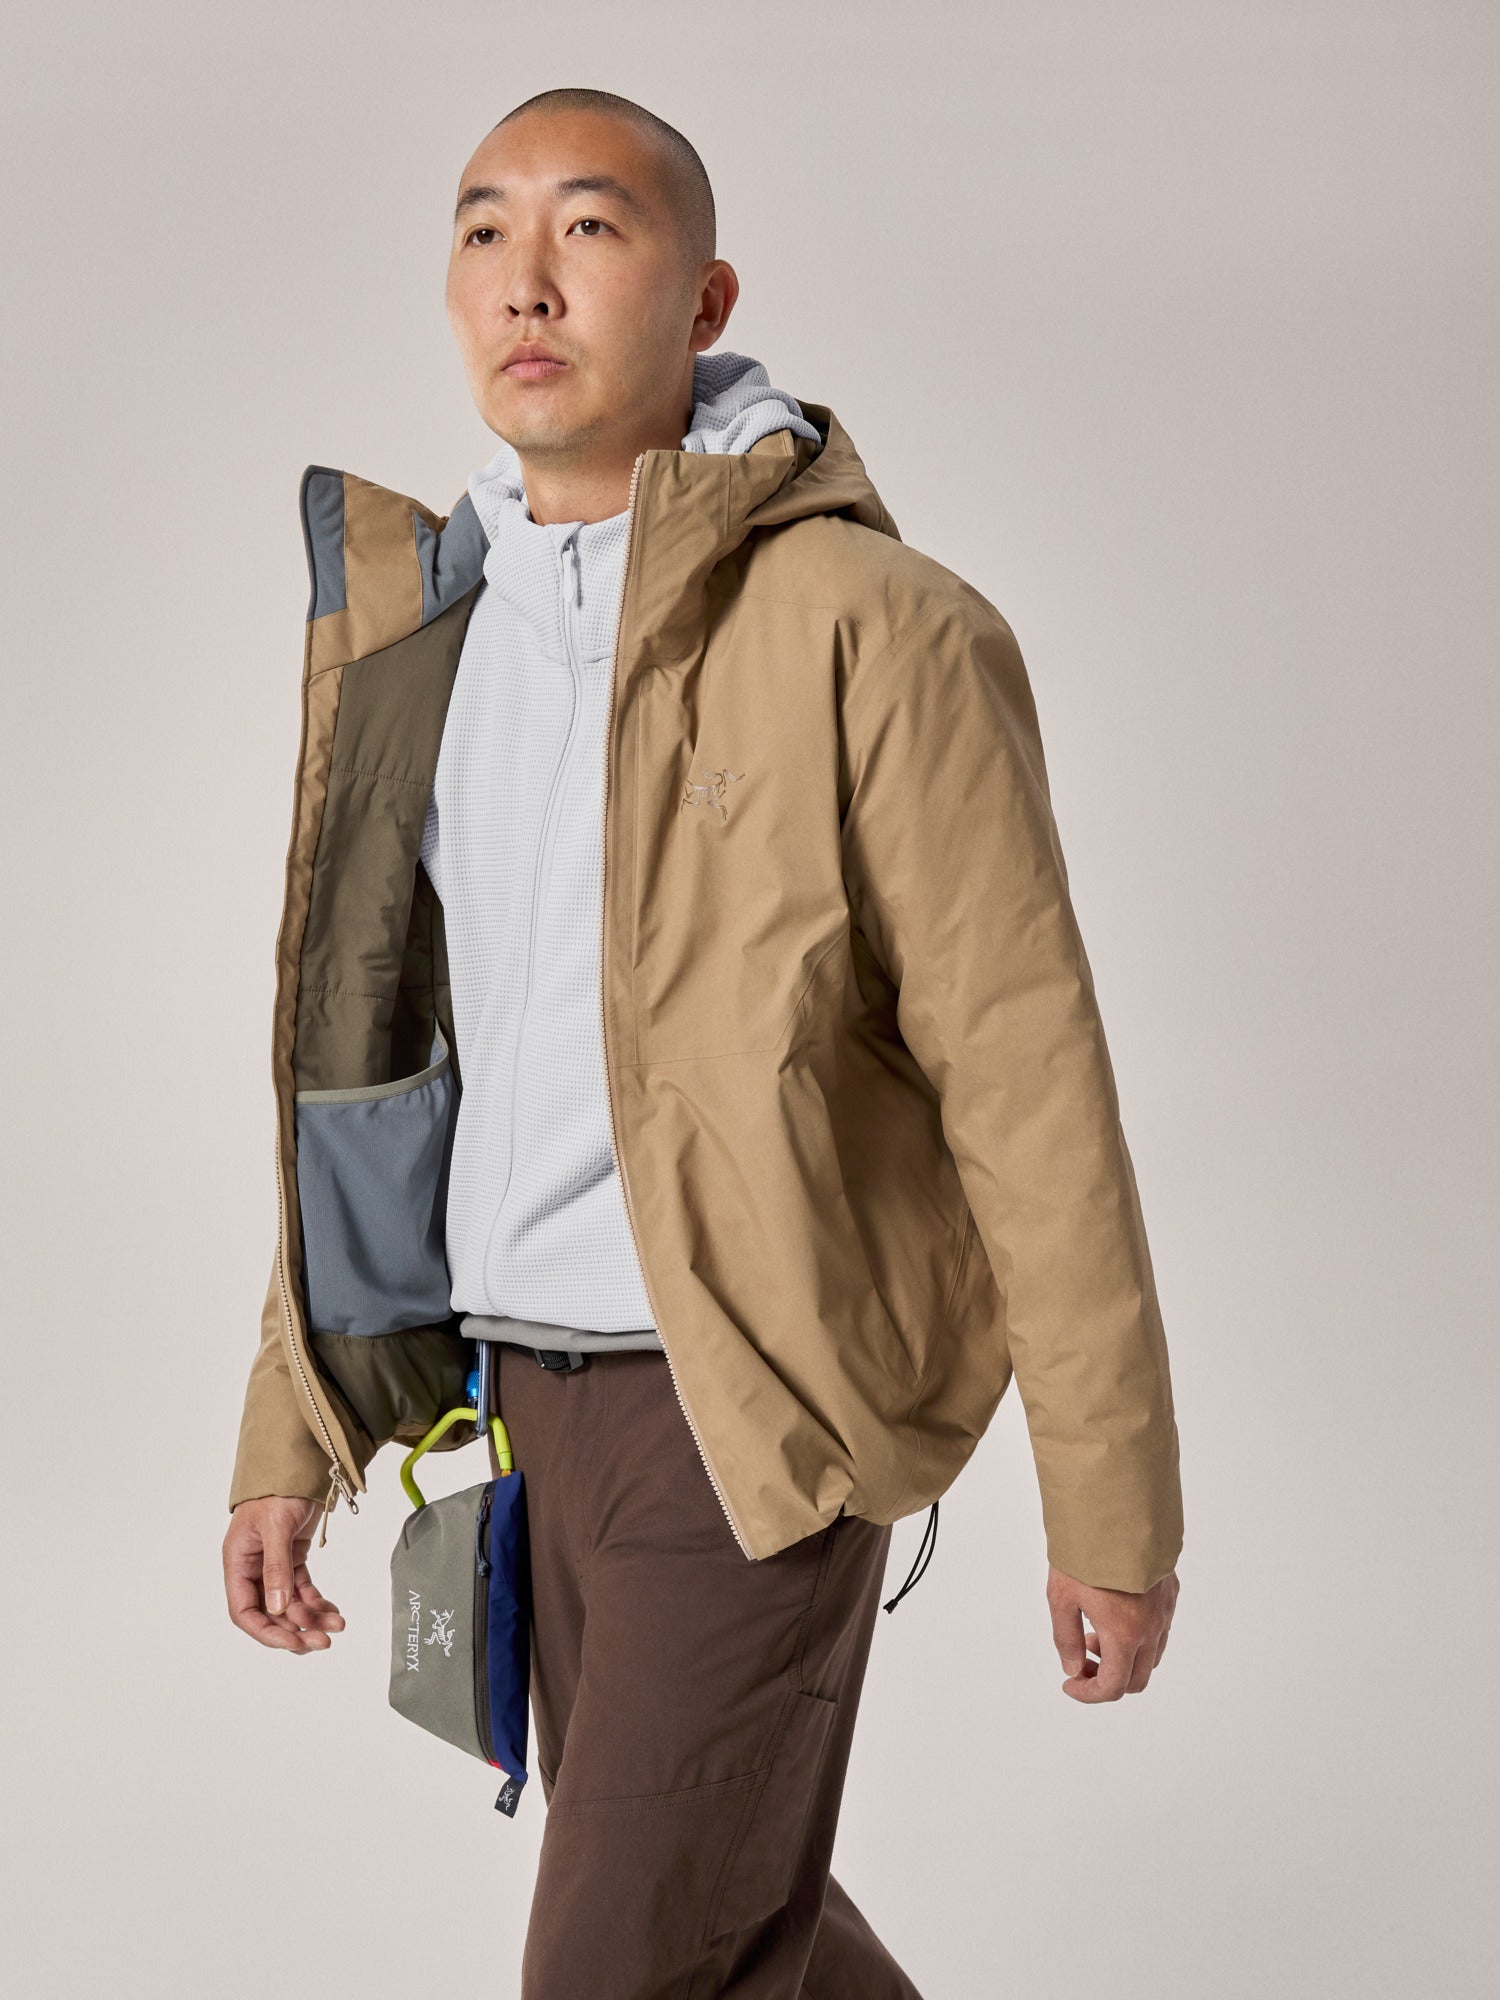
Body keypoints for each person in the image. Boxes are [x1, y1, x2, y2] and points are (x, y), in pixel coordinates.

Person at [221, 87, 1183, 1999]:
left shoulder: (880, 630)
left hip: (749, 1419)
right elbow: (381, 1072)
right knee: (738, 1919)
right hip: (513, 1402)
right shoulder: (428, 646)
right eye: (485, 231)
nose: (527, 281)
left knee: (631, 1957)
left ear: (706, 294)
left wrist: (1114, 1504)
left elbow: (1028, 1085)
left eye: (590, 228)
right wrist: (291, 1423)